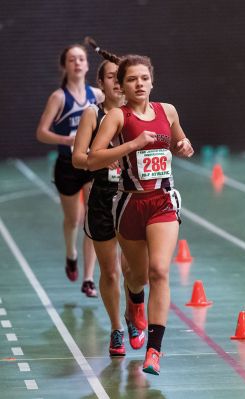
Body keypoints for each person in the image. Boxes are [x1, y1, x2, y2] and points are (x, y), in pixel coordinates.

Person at [85, 54, 194, 375]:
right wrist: (132, 144)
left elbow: (178, 140)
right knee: (138, 275)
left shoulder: (167, 110)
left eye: (144, 78)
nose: (139, 84)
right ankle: (135, 300)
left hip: (162, 202)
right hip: (130, 205)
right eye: (132, 79)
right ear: (122, 85)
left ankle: (154, 351)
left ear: (152, 80)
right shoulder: (116, 117)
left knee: (160, 271)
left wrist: (184, 145)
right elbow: (92, 159)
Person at [72, 38, 145, 357]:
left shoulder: (139, 114)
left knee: (133, 271)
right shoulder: (93, 114)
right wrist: (102, 156)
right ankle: (117, 327)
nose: (118, 82)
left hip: (132, 198)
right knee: (111, 271)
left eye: (122, 76)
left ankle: (134, 311)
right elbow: (78, 159)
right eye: (112, 77)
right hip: (103, 199)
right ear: (101, 83)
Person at [36, 44, 104, 297]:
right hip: (67, 165)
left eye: (81, 59)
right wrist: (66, 140)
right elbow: (41, 132)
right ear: (65, 65)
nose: (77, 63)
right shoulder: (59, 97)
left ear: (87, 65)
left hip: (90, 163)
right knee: (73, 219)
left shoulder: (96, 95)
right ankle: (71, 254)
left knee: (92, 219)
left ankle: (88, 278)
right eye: (72, 59)